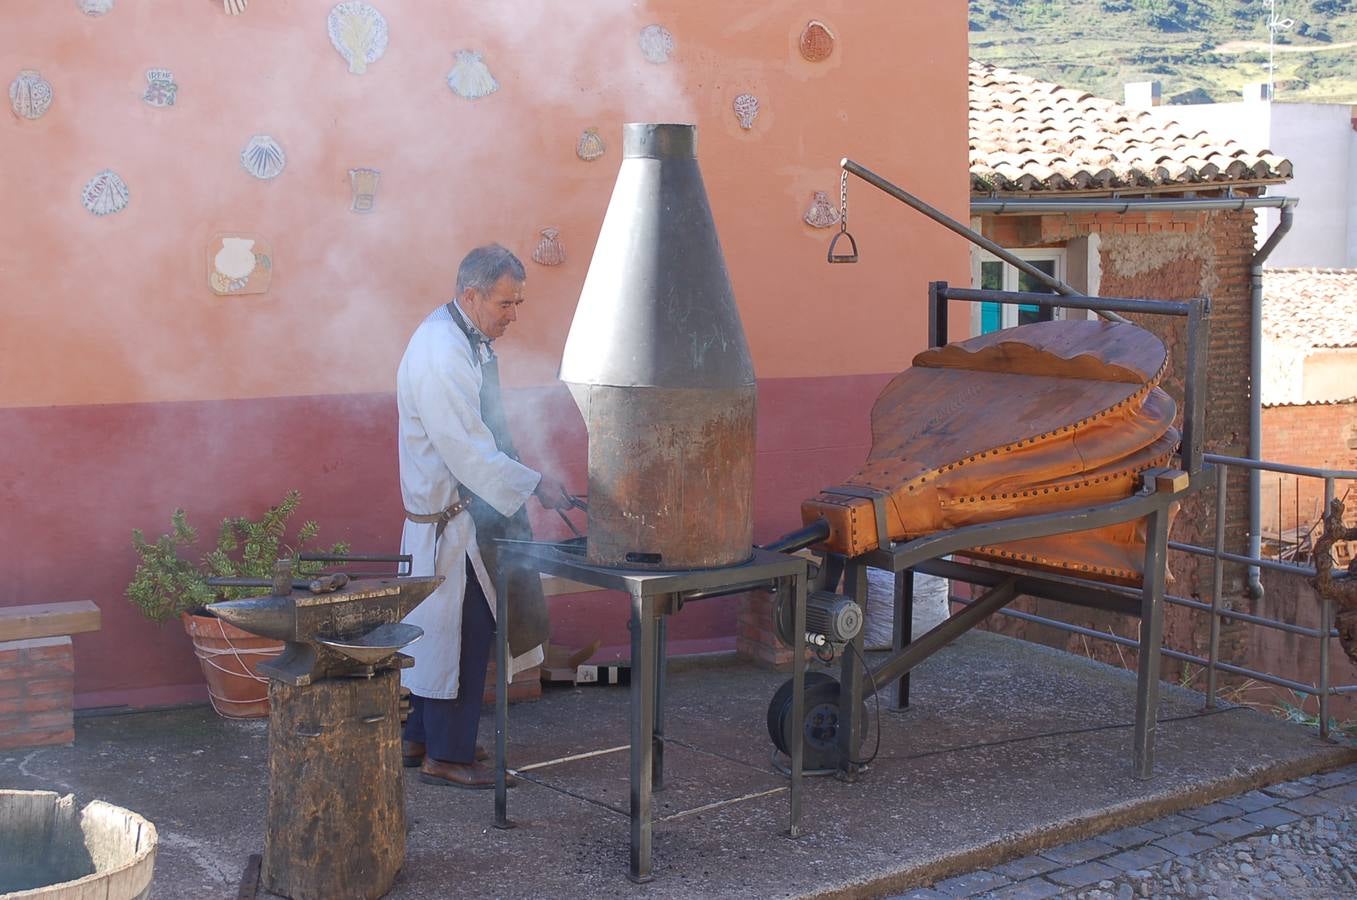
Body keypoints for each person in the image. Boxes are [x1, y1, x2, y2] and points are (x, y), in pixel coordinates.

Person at [396, 243, 571, 788]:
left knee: (435, 637)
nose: (513, 315)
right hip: (453, 524)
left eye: (518, 303)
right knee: (464, 636)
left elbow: (489, 430)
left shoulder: (464, 337)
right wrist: (536, 484)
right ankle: (445, 756)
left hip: (459, 515)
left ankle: (421, 736)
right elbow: (470, 453)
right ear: (470, 295)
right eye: (505, 304)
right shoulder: (442, 354)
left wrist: (529, 478)